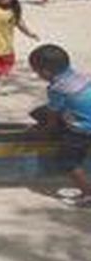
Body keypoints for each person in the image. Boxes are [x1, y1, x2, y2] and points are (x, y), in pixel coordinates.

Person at [29, 44, 91, 206]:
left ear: (45, 72)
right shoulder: (81, 77)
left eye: (36, 72)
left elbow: (53, 115)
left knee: (68, 162)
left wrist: (45, 132)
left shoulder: (57, 89)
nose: (37, 75)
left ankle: (87, 194)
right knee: (40, 112)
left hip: (83, 129)